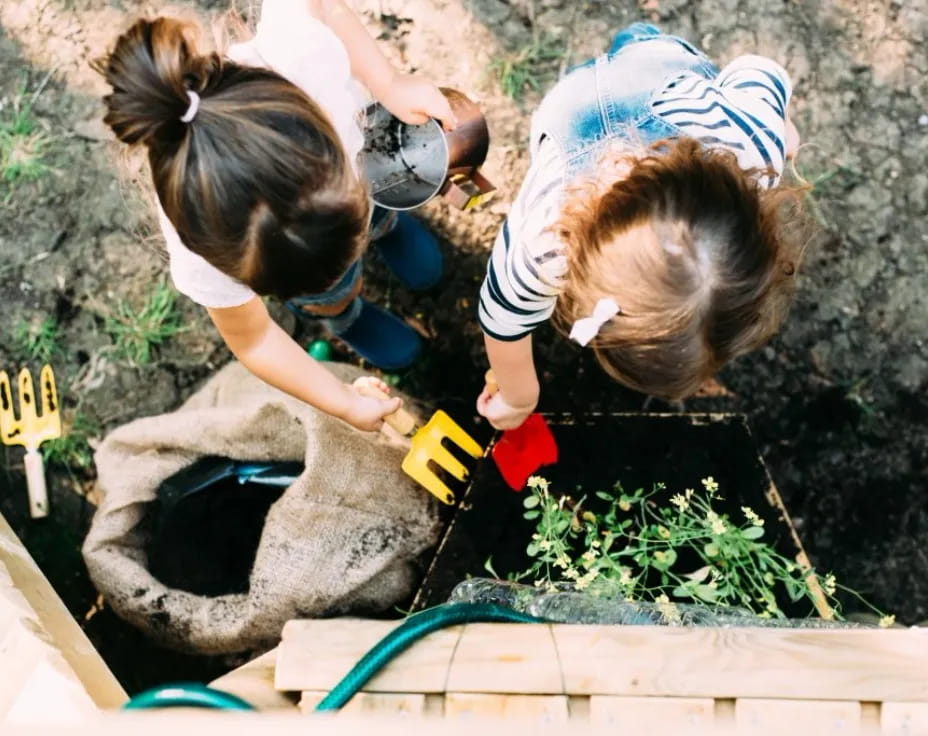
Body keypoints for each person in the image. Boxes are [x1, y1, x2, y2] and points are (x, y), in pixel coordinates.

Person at [94, 0, 457, 431]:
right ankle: (345, 313)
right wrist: (343, 403)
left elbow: (321, 5)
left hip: (365, 184)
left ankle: (384, 225)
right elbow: (254, 338)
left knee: (375, 209)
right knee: (333, 294)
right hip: (340, 210)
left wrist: (389, 82)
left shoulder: (300, 55)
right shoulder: (201, 244)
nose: (348, 255)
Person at [476, 23, 806, 430]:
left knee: (639, 42)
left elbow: (763, 70)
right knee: (636, 47)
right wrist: (519, 394)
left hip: (655, 65)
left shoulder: (754, 141)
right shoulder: (541, 242)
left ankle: (633, 38)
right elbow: (501, 317)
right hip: (574, 109)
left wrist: (781, 124)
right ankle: (630, 42)